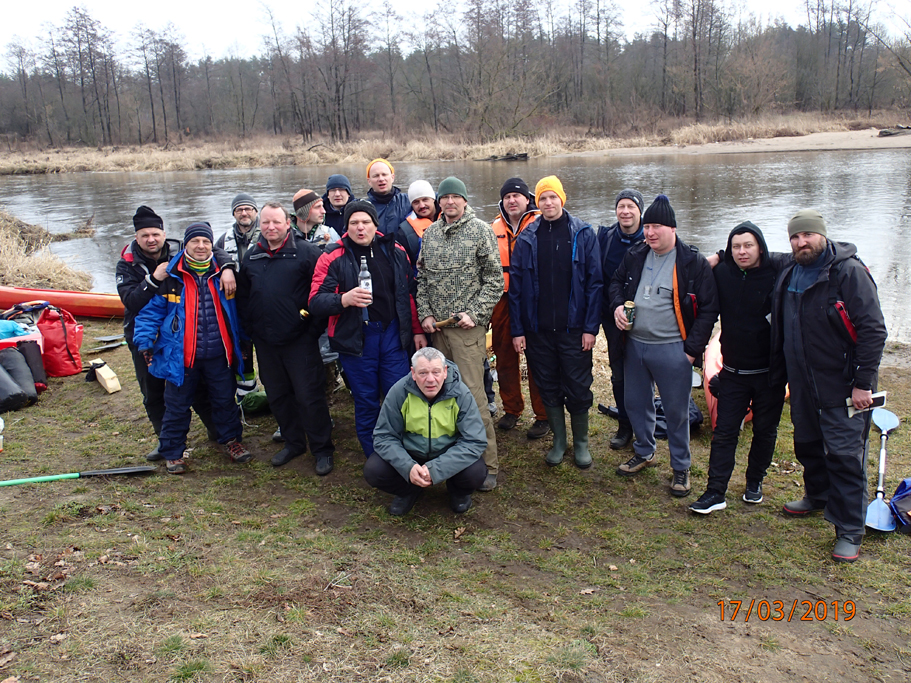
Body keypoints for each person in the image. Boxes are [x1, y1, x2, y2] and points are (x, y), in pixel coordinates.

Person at [771, 209, 886, 563]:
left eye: (807, 235)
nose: (801, 242)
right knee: (807, 443)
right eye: (795, 237)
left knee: (845, 456)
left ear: (822, 235)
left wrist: (863, 383)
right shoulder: (790, 270)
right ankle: (818, 495)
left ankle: (850, 530)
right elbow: (756, 254)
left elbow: (873, 330)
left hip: (844, 385)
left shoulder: (848, 272)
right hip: (802, 381)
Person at [608, 195, 719, 497]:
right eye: (647, 227)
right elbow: (616, 283)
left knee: (676, 411)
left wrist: (691, 351)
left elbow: (709, 309)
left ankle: (681, 466)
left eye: (656, 227)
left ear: (672, 228)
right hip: (635, 345)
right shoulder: (635, 254)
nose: (650, 233)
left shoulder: (692, 262)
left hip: (673, 348)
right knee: (636, 403)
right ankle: (644, 451)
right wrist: (617, 306)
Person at [116, 205, 235, 461]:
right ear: (136, 237)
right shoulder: (131, 265)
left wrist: (227, 266)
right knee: (160, 395)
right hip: (159, 343)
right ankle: (167, 446)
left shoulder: (184, 252)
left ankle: (222, 434)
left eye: (155, 234)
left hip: (205, 348)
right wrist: (153, 280)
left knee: (211, 394)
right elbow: (136, 305)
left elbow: (212, 249)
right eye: (145, 235)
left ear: (164, 234)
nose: (151, 239)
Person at [132, 222, 251, 474]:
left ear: (212, 245)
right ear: (185, 245)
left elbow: (241, 312)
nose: (200, 246)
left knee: (225, 401)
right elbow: (149, 314)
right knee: (177, 406)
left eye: (206, 241)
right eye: (195, 241)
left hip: (219, 355)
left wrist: (245, 341)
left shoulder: (224, 274)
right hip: (181, 358)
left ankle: (232, 441)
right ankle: (173, 452)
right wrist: (144, 343)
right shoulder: (170, 277)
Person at [309, 200, 426, 457]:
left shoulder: (395, 250)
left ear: (375, 224)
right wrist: (344, 299)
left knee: (399, 395)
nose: (360, 228)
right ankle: (375, 456)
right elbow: (316, 301)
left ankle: (405, 452)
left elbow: (407, 294)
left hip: (393, 334)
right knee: (366, 400)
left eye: (365, 222)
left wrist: (417, 330)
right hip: (357, 339)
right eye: (354, 223)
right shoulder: (332, 256)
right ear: (346, 227)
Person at [689, 221, 789, 514]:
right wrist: (719, 257)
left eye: (748, 245)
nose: (742, 251)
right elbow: (693, 276)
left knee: (765, 432)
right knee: (724, 433)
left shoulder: (778, 272)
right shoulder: (722, 273)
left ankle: (754, 482)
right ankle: (715, 491)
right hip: (732, 372)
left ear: (761, 247)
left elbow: (801, 257)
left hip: (770, 374)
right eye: (735, 247)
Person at [236, 201, 336, 476]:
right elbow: (244, 298)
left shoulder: (306, 253)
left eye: (276, 222)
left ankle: (322, 448)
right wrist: (252, 330)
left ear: (288, 223)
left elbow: (322, 292)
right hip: (266, 342)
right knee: (278, 395)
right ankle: (294, 443)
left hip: (300, 340)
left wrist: (311, 329)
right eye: (266, 222)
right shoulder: (252, 256)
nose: (270, 227)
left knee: (309, 396)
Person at [416, 176, 503, 491]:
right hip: (438, 332)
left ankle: (488, 464)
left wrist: (475, 313)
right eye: (445, 197)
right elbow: (422, 278)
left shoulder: (480, 230)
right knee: (441, 395)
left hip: (467, 331)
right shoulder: (430, 234)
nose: (450, 202)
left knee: (473, 397)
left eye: (456, 197)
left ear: (465, 200)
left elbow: (495, 280)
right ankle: (451, 458)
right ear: (439, 202)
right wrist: (425, 313)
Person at [509, 176, 602, 468]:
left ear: (562, 198)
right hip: (538, 331)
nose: (548, 203)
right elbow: (516, 288)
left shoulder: (583, 233)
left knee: (578, 386)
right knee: (547, 385)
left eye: (553, 197)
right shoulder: (527, 237)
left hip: (574, 329)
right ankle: (559, 441)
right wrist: (518, 330)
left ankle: (581, 443)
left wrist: (590, 328)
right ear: (536, 203)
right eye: (543, 198)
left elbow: (595, 284)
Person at [366, 347, 488, 516]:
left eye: (436, 372)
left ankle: (458, 492)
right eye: (423, 373)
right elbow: (384, 436)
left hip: (448, 453)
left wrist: (437, 469)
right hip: (411, 453)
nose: (430, 379)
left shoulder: (461, 394)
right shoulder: (398, 392)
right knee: (374, 470)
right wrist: (407, 466)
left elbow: (474, 441)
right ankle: (409, 490)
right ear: (413, 373)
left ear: (445, 372)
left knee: (476, 472)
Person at [490, 178, 550, 440]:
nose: (512, 200)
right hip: (503, 299)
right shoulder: (492, 227)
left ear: (528, 199)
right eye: (507, 197)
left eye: (517, 196)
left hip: (534, 299)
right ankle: (512, 409)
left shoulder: (542, 223)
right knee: (504, 356)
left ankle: (543, 415)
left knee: (538, 358)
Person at [598, 189, 645, 450]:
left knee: (642, 373)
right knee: (619, 373)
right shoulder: (605, 238)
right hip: (612, 317)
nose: (625, 212)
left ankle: (644, 426)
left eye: (631, 207)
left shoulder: (651, 237)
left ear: (640, 211)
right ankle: (625, 426)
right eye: (621, 206)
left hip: (646, 319)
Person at [396, 180, 439, 270]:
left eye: (425, 199)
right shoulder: (404, 231)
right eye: (416, 202)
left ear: (433, 198)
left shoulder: (451, 217)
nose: (422, 205)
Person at [364, 158, 412, 236]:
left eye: (384, 174)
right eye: (376, 176)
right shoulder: (364, 207)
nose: (381, 179)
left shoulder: (409, 200)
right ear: (369, 181)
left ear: (392, 177)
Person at [216, 193, 260, 264]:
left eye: (248, 209)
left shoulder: (267, 236)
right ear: (234, 214)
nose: (244, 213)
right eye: (239, 210)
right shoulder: (223, 240)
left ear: (256, 212)